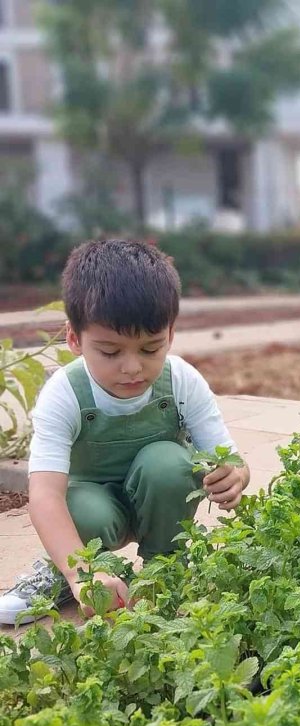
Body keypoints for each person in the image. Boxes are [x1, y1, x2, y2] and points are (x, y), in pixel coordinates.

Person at [0, 239, 250, 626]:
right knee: (77, 507)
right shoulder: (64, 394)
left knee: (170, 463)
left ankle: (165, 569)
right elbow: (44, 496)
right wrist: (80, 572)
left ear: (170, 333)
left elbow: (230, 459)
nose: (132, 368)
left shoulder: (182, 380)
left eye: (150, 349)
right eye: (111, 352)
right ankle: (65, 571)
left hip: (160, 501)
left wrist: (233, 477)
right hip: (94, 512)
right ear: (74, 339)